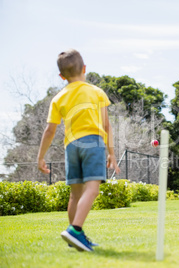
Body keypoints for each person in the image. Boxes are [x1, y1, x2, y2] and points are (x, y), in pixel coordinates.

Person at [37, 49, 120, 251]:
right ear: (84, 69)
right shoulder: (96, 92)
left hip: (71, 146)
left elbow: (49, 130)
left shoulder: (58, 98)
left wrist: (40, 157)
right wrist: (111, 153)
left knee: (75, 195)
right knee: (92, 189)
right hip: (93, 142)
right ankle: (74, 230)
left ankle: (75, 238)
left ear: (61, 76)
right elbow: (106, 126)